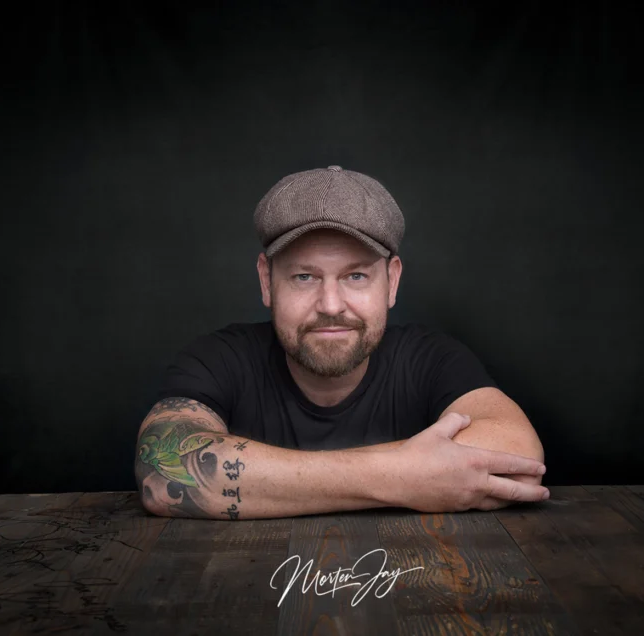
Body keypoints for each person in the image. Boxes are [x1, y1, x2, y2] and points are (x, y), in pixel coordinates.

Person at [135, 165, 548, 519]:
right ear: (266, 281)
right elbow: (161, 472)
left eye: (356, 276)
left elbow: (520, 459)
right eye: (304, 277)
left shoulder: (430, 359)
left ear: (393, 281)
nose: (331, 305)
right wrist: (400, 477)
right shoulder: (218, 360)